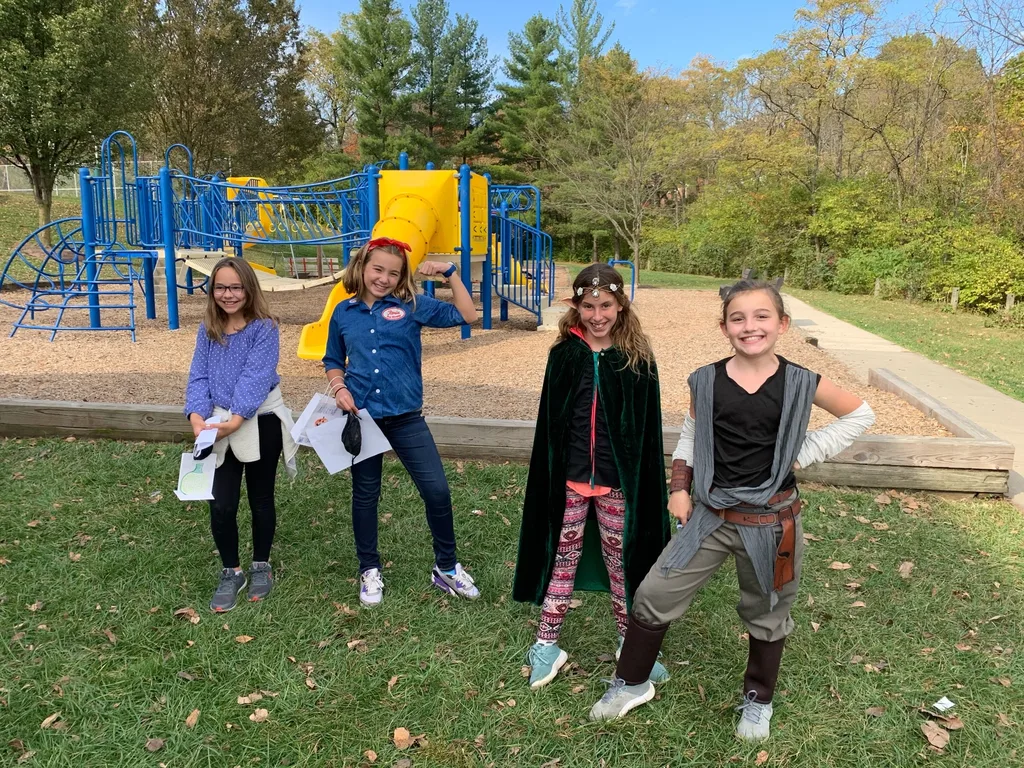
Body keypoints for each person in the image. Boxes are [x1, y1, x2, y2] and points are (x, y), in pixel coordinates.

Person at [589, 278, 875, 741]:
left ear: (782, 324)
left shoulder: (801, 381)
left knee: (768, 610)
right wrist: (679, 488)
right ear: (724, 327)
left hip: (772, 522)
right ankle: (632, 683)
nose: (750, 326)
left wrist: (802, 453)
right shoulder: (705, 380)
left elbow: (860, 414)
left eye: (762, 316)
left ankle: (758, 701)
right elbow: (690, 436)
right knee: (654, 593)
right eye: (737, 318)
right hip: (712, 515)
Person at [514, 263, 671, 689]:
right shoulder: (564, 355)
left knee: (622, 564)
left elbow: (647, 429)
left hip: (618, 482)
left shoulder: (637, 359)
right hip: (569, 481)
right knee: (561, 560)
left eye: (606, 305)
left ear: (620, 306)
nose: (597, 315)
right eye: (588, 306)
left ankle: (630, 646)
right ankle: (547, 645)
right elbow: (551, 424)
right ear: (576, 307)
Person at [323, 237, 480, 607]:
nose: (384, 278)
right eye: (377, 269)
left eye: (393, 273)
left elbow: (468, 315)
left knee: (437, 491)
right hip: (362, 419)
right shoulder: (343, 312)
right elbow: (333, 359)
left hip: (406, 418)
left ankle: (446, 567)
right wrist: (338, 387)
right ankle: (369, 569)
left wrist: (451, 272)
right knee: (365, 496)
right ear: (362, 267)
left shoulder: (412, 305)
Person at [184, 257, 297, 613]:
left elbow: (256, 376)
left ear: (249, 289)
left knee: (261, 498)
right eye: (220, 287)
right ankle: (231, 570)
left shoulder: (264, 328)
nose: (228, 294)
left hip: (259, 421)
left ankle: (261, 563)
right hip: (216, 423)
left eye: (235, 287)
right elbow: (199, 374)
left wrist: (234, 422)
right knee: (221, 503)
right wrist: (196, 415)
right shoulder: (209, 328)